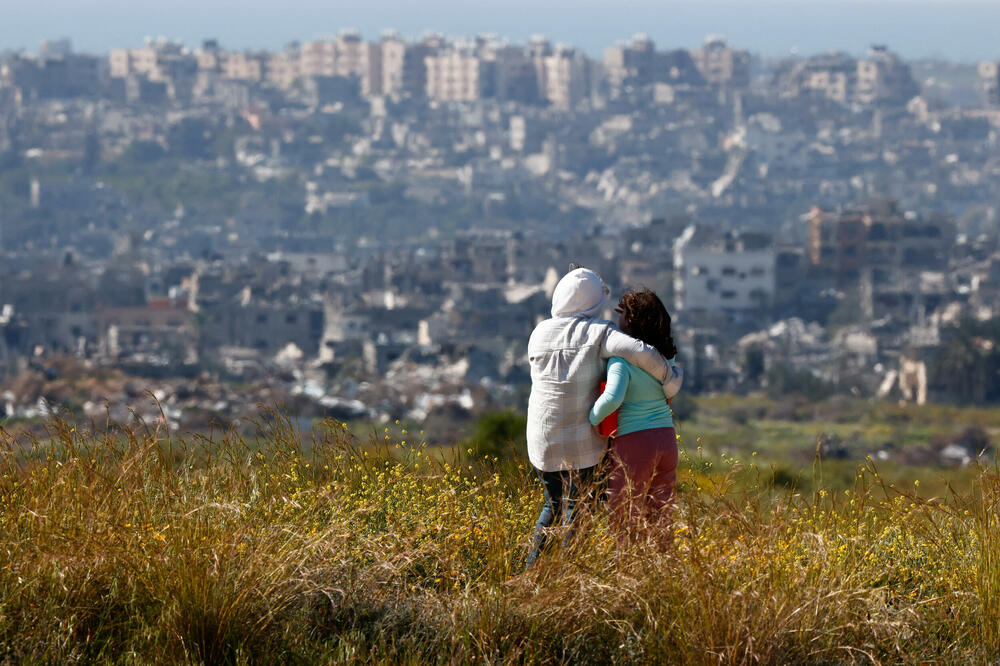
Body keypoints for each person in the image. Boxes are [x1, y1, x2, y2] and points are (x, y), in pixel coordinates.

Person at [525, 269, 683, 567]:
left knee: (552, 504)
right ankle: (568, 576)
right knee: (579, 507)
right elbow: (641, 353)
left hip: (542, 441)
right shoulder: (600, 333)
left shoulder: (539, 333)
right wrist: (671, 379)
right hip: (582, 442)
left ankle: (532, 571)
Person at [589, 288, 682, 544]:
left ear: (631, 320)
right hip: (666, 439)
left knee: (623, 517)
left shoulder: (622, 361)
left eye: (623, 313)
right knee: (661, 516)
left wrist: (592, 419)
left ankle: (627, 573)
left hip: (634, 443)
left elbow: (612, 398)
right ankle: (662, 571)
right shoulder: (664, 357)